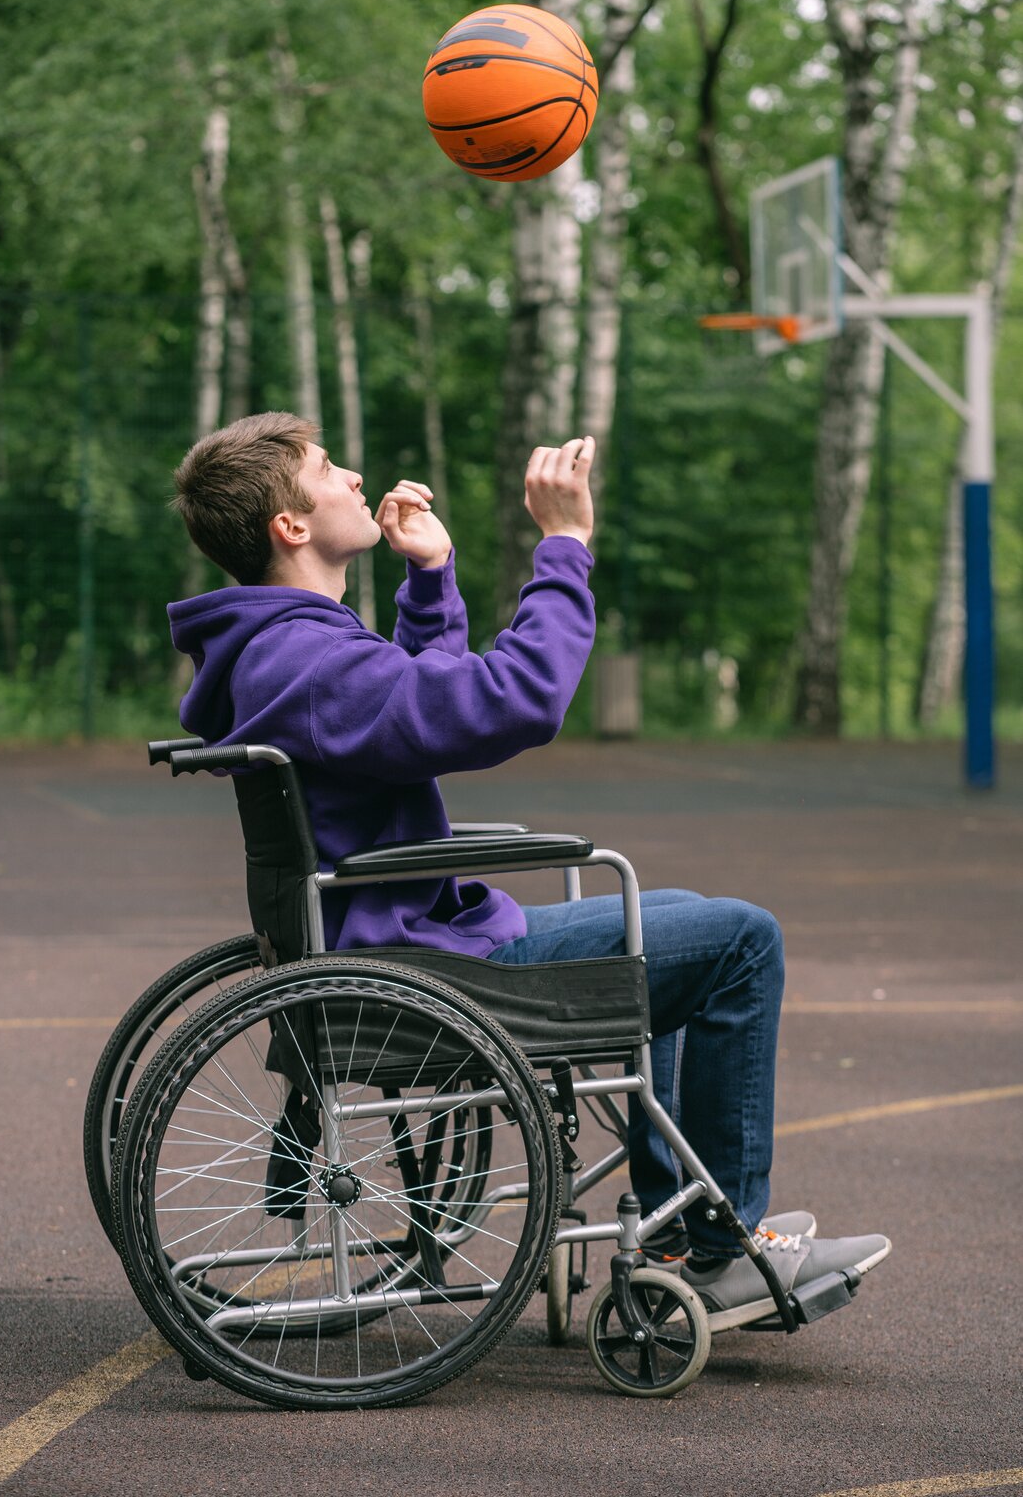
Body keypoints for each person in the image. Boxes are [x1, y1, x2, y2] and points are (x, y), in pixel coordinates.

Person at [169, 410, 890, 1331]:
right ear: (291, 527)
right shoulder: (305, 659)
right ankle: (716, 1250)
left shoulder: (289, 648)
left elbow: (411, 713)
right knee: (740, 939)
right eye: (328, 470)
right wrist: (564, 545)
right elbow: (515, 700)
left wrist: (429, 577)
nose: (355, 476)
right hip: (421, 969)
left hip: (404, 941)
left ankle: (676, 1234)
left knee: (672, 918)